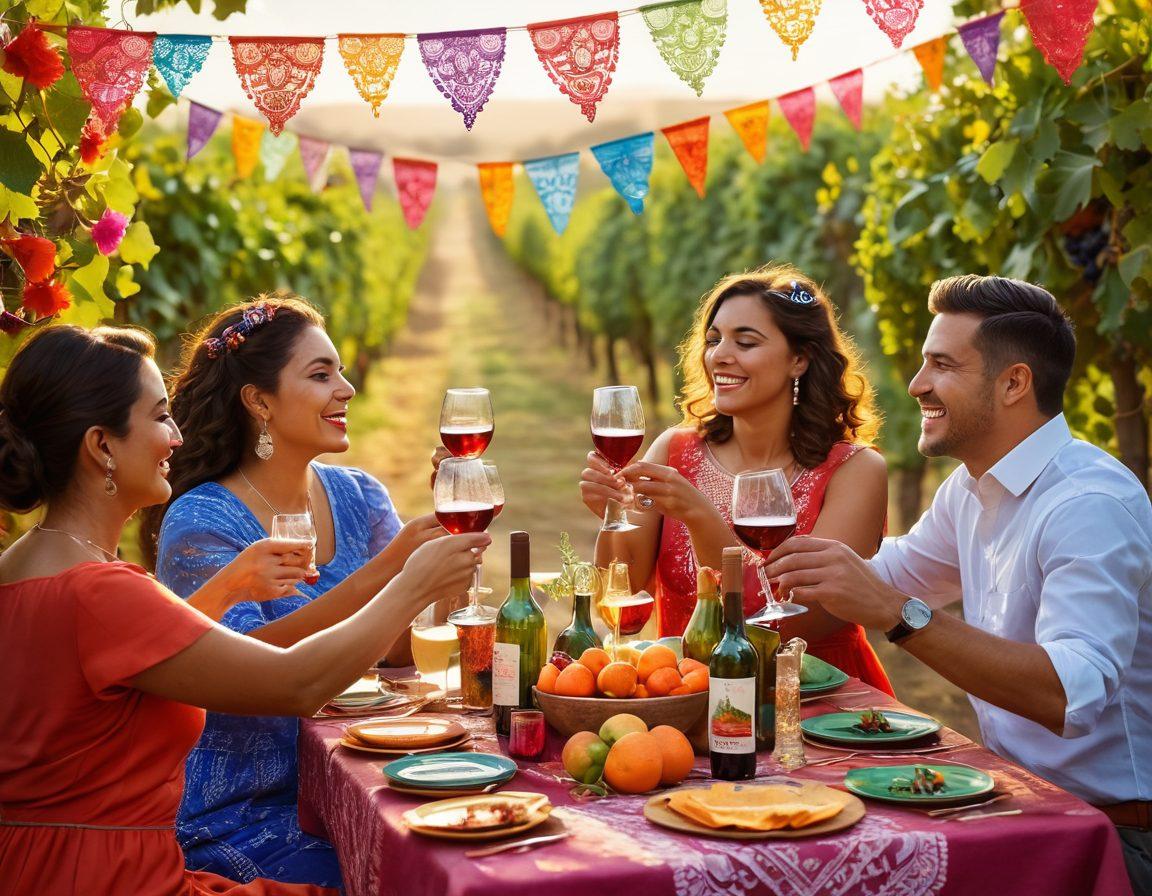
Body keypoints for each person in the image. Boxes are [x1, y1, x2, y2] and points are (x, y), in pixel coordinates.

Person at [0, 324, 487, 896]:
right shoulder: (101, 591)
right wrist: (409, 584)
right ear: (102, 446)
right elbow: (297, 683)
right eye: (160, 417)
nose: (178, 437)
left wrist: (226, 590)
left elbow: (125, 673)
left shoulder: (24, 566)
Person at [765, 274, 1151, 894]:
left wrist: (896, 613)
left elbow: (1069, 697)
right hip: (1025, 807)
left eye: (941, 365)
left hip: (1112, 839)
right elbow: (886, 571)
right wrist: (755, 548)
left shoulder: (1088, 504)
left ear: (1014, 382)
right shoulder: (970, 489)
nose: (917, 385)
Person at [138, 294, 444, 888]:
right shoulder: (203, 520)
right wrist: (391, 572)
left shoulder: (360, 496)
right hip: (249, 809)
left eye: (342, 370)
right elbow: (249, 668)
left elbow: (401, 652)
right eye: (321, 374)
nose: (347, 388)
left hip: (360, 782)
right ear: (259, 401)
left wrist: (448, 540)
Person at [579, 265, 893, 693]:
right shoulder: (674, 451)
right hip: (691, 696)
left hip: (817, 705)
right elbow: (621, 594)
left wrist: (701, 518)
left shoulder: (856, 470)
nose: (720, 355)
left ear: (799, 359)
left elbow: (810, 620)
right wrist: (613, 512)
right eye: (713, 340)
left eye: (745, 342)